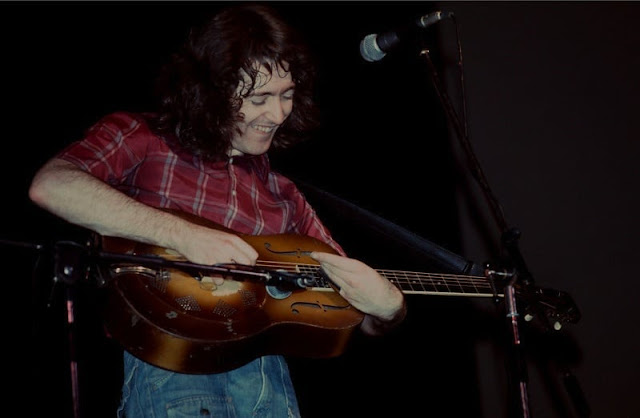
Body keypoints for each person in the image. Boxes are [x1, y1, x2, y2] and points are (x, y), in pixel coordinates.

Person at [29, 3, 406, 417]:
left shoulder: (284, 194)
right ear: (211, 93)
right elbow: (52, 185)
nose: (278, 114)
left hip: (270, 382)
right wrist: (183, 234)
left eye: (287, 95)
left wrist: (387, 309)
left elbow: (348, 312)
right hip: (171, 365)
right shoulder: (144, 137)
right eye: (259, 98)